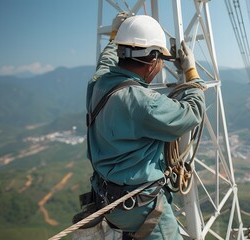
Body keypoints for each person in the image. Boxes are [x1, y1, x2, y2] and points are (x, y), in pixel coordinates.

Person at [85, 13, 206, 240]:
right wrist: (192, 75)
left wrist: (115, 38)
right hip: (141, 209)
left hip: (108, 200)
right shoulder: (143, 103)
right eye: (162, 60)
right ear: (152, 61)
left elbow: (107, 61)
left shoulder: (98, 84)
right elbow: (192, 112)